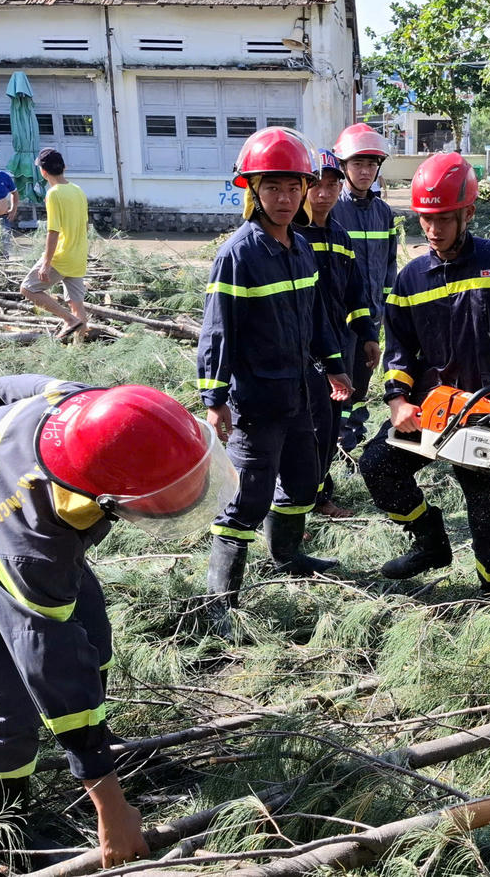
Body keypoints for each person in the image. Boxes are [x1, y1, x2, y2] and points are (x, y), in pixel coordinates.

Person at [0, 374, 230, 867]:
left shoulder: (94, 411)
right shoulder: (31, 548)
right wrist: (111, 805)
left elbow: (1, 388)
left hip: (0, 513)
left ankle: (98, 743)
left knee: (93, 640)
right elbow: (49, 663)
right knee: (10, 700)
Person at [358, 152, 490, 594]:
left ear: (467, 212)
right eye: (426, 219)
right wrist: (397, 401)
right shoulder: (410, 279)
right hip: (435, 406)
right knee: (378, 466)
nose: (433, 229)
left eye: (444, 219)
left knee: (486, 507)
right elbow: (400, 350)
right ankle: (430, 543)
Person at [198, 127, 352, 624]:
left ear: (305, 189)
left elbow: (316, 320)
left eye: (292, 188)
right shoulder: (239, 254)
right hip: (256, 398)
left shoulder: (301, 248)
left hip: (300, 392)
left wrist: (334, 366)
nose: (284, 199)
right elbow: (219, 330)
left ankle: (287, 556)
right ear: (253, 190)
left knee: (305, 483)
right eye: (272, 188)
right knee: (248, 497)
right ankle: (220, 598)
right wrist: (215, 397)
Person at [302, 148, 381, 518]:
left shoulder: (339, 235)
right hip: (303, 351)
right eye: (316, 185)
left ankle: (318, 495)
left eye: (332, 185)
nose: (324, 193)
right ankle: (302, 501)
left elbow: (355, 293)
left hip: (338, 344)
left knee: (331, 421)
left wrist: (367, 333)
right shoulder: (292, 237)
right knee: (310, 426)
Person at [331, 123, 397, 452]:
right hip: (338, 320)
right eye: (358, 164)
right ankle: (333, 440)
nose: (365, 171)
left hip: (371, 319)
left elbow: (389, 265)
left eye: (371, 164)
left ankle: (350, 440)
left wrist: (385, 312)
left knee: (360, 384)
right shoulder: (331, 209)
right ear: (343, 166)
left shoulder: (384, 213)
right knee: (336, 382)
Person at [20, 148, 89, 342]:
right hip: (78, 255)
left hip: (61, 256)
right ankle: (79, 348)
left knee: (28, 289)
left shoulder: (54, 194)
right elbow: (84, 225)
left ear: (43, 171)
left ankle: (68, 320)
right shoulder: (78, 190)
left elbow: (53, 231)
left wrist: (46, 263)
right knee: (77, 304)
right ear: (64, 167)